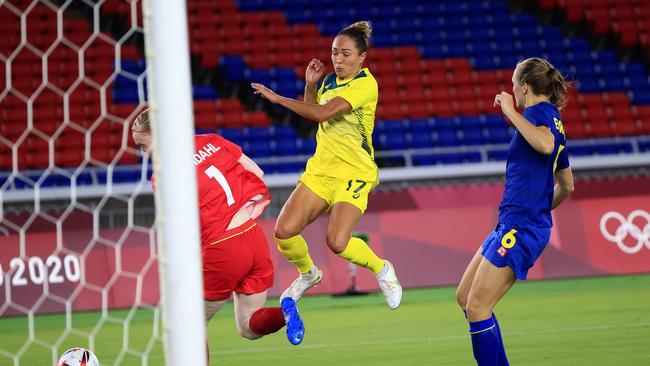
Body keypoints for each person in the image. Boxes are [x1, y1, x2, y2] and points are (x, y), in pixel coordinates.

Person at [130, 109, 305, 361]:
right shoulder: (212, 141)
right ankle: (285, 314)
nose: (143, 153)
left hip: (223, 246)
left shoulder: (164, 174)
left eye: (144, 145)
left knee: (189, 327)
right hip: (254, 237)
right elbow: (257, 173)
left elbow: (179, 224)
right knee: (248, 327)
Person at [251, 21, 402, 309]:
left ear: (361, 57)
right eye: (334, 53)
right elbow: (314, 112)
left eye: (345, 54)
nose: (338, 59)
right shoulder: (331, 81)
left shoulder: (365, 84)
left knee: (337, 241)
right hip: (321, 170)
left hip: (354, 172)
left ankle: (382, 268)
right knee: (284, 231)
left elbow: (324, 114)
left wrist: (277, 98)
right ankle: (308, 275)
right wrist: (310, 85)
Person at [455, 58, 575, 365]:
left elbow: (546, 146)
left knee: (478, 306)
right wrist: (537, 209)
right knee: (465, 296)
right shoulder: (553, 119)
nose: (510, 92)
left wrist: (510, 111)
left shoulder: (538, 114)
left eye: (512, 86)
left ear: (524, 87)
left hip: (520, 227)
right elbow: (567, 185)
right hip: (512, 222)